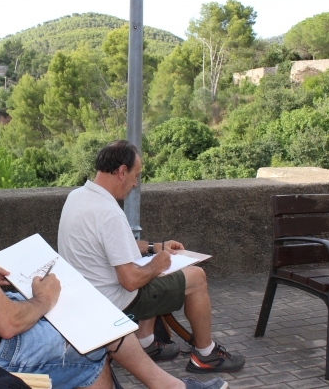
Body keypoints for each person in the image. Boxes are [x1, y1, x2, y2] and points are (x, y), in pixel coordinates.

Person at [0, 107, 228, 389]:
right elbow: (8, 325)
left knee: (95, 319)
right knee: (94, 338)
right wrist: (43, 298)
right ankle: (170, 385)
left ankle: (168, 385)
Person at [58, 140, 246, 375]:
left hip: (88, 295)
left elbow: (114, 247)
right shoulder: (109, 212)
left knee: (152, 270)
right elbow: (129, 281)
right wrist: (157, 265)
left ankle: (146, 343)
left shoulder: (78, 196)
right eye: (135, 175)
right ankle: (205, 354)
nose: (135, 184)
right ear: (122, 172)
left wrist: (156, 248)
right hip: (115, 302)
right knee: (196, 276)